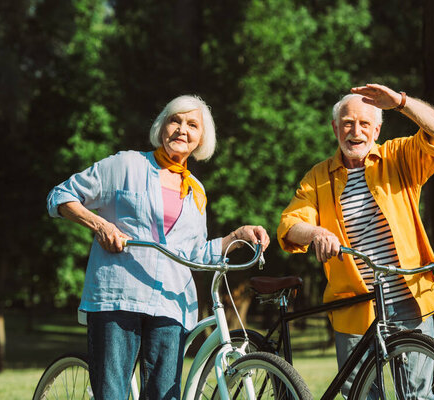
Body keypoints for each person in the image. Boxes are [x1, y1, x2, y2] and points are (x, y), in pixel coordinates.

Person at [47, 95, 270, 400]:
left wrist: (236, 236)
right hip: (118, 299)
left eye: (192, 125)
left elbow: (193, 255)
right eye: (175, 120)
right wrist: (99, 225)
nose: (182, 129)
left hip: (170, 305)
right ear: (161, 126)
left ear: (201, 139)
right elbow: (59, 197)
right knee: (111, 393)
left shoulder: (196, 192)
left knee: (165, 396)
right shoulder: (125, 164)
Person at [277, 83, 434, 397]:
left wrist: (400, 102)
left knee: (416, 395)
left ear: (376, 130)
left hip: (408, 297)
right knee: (361, 395)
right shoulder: (318, 178)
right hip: (354, 304)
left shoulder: (398, 157)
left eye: (363, 124)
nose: (354, 131)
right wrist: (317, 232)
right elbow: (290, 225)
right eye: (347, 123)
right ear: (335, 128)